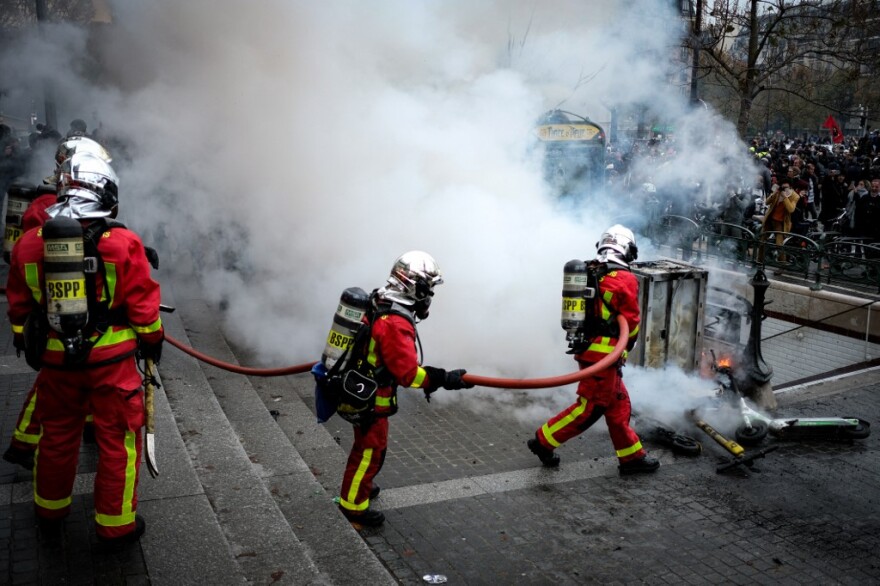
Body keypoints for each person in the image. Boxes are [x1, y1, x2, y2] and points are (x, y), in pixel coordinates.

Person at [5, 151, 164, 543]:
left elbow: (20, 307)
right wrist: (153, 343)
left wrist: (27, 340)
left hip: (57, 362)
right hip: (112, 363)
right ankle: (116, 525)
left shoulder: (28, 244)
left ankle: (49, 508)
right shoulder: (122, 243)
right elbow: (144, 307)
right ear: (105, 193)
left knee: (56, 434)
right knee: (118, 441)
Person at [332, 251, 472, 526]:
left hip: (360, 389)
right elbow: (408, 374)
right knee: (369, 452)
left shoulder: (382, 298)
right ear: (414, 286)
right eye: (428, 286)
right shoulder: (396, 323)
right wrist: (444, 379)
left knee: (368, 447)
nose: (429, 293)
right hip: (371, 398)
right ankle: (353, 506)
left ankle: (361, 485)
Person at [2, 137, 115, 470]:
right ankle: (23, 444)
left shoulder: (47, 206)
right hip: (59, 316)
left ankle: (36, 440)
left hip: (69, 317)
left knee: (71, 381)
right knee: (54, 389)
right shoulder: (44, 210)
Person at [527, 225, 660, 476]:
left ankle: (632, 457)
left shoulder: (589, 269)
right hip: (604, 355)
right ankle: (543, 441)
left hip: (589, 349)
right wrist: (627, 346)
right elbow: (631, 321)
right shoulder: (624, 278)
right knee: (590, 408)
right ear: (626, 248)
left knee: (618, 404)